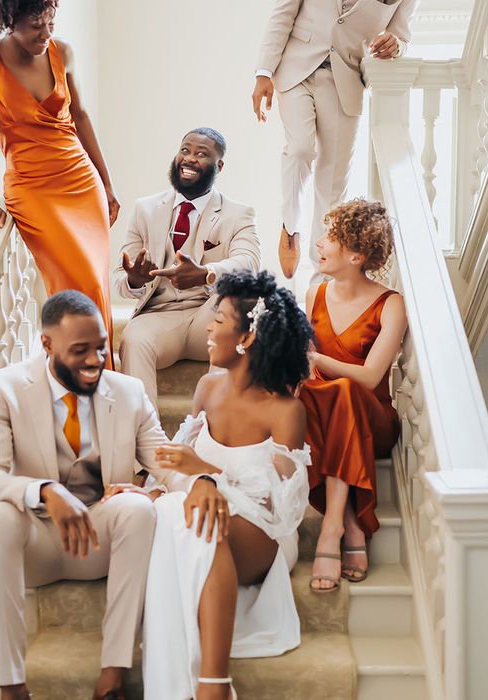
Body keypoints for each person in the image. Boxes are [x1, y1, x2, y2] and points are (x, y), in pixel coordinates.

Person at [0, 290, 205, 700]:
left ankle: (113, 675)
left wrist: (201, 484)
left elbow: (163, 460)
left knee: (135, 508)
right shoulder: (4, 389)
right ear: (47, 345)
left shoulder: (129, 391)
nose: (96, 360)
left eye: (99, 347)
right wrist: (44, 491)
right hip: (37, 544)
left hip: (100, 540)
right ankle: (11, 685)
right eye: (80, 351)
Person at [135, 271, 313, 700]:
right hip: (205, 515)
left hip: (262, 533)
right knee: (171, 511)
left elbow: (284, 509)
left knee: (194, 518)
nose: (208, 328)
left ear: (247, 338)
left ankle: (212, 680)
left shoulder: (285, 410)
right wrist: (147, 491)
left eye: (218, 319)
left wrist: (209, 475)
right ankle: (204, 685)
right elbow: (172, 461)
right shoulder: (207, 387)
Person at [0, 0, 118, 366]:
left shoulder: (62, 51)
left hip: (81, 181)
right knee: (72, 285)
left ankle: (102, 382)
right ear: (8, 20)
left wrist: (106, 184)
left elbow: (80, 116)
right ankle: (79, 382)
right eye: (35, 26)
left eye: (50, 22)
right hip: (33, 190)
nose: (45, 34)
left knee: (95, 283)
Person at [252, 0, 417, 280]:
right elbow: (283, 13)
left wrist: (396, 45)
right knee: (300, 149)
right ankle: (290, 226)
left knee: (332, 185)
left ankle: (322, 277)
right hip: (295, 70)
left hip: (346, 81)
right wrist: (264, 72)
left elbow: (401, 34)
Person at [299, 199, 407, 591]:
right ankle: (349, 522)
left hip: (372, 420)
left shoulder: (390, 303)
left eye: (330, 238)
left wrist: (315, 357)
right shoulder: (315, 295)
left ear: (357, 255)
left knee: (343, 389)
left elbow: (370, 376)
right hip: (324, 419)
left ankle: (330, 531)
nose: (319, 243)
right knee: (312, 395)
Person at [111, 128, 261, 407]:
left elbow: (249, 263)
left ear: (219, 166)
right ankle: (146, 438)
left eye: (201, 154)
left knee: (239, 298)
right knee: (133, 339)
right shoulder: (145, 209)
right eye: (185, 150)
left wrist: (206, 273)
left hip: (209, 317)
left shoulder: (238, 213)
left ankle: (214, 428)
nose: (190, 158)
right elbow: (119, 279)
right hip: (160, 316)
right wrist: (135, 279)